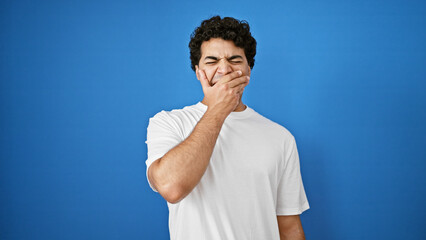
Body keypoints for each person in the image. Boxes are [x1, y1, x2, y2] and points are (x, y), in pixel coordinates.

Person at [145, 16, 310, 240]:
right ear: (197, 71)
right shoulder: (168, 122)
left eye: (235, 59)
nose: (224, 69)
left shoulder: (281, 137)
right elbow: (171, 187)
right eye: (212, 61)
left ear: (249, 69)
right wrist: (218, 109)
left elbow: (289, 226)